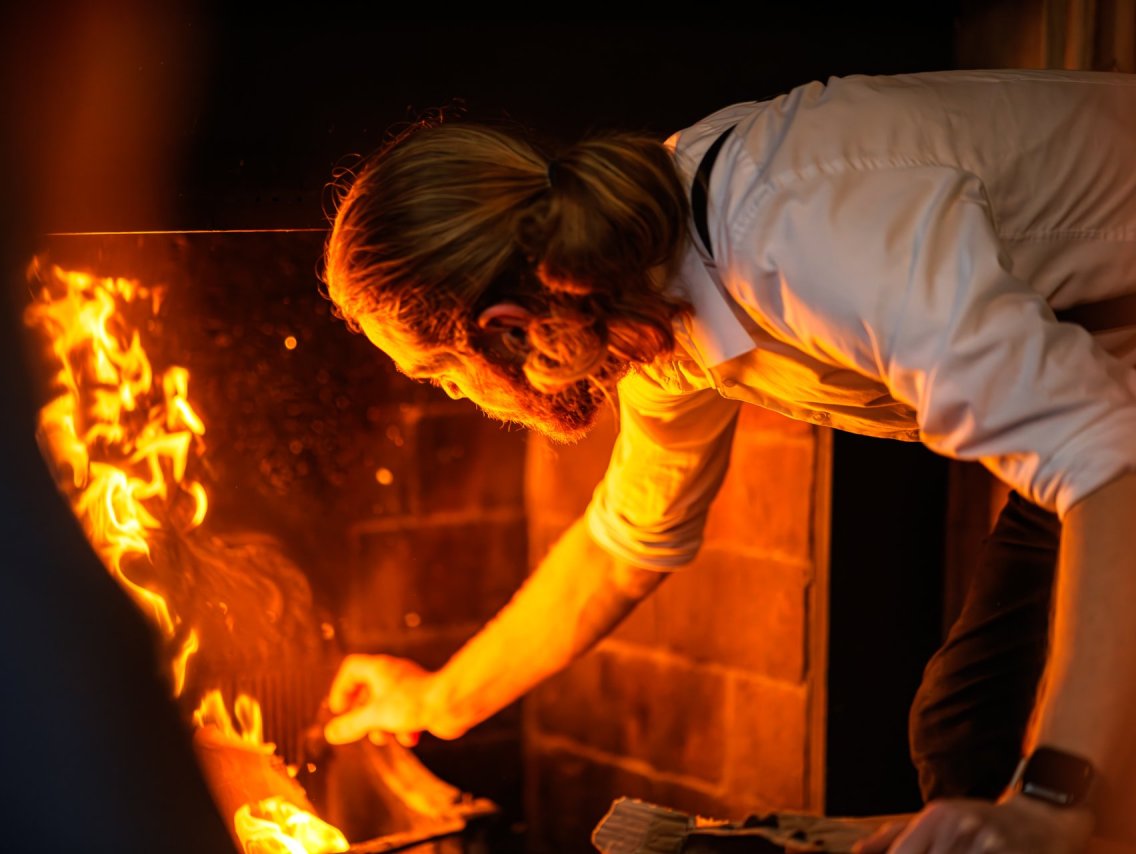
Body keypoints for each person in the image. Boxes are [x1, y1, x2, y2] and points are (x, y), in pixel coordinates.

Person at [319, 69, 1136, 853]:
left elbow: (1105, 465)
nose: (461, 399)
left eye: (441, 375)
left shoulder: (798, 236)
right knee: (968, 728)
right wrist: (439, 699)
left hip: (1113, 429)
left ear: (506, 326)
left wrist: (1051, 802)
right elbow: (625, 544)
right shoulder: (653, 290)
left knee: (980, 738)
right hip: (1109, 399)